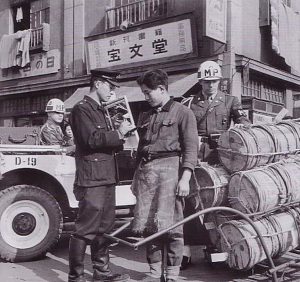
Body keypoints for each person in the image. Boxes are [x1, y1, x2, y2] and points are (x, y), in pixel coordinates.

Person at [181, 60, 251, 269]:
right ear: (200, 82)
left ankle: (215, 249)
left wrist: (228, 136)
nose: (210, 85)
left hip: (219, 159)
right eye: (206, 81)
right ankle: (186, 252)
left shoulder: (230, 101)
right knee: (190, 203)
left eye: (213, 81)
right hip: (195, 157)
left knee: (218, 203)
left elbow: (244, 125)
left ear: (220, 81)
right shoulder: (190, 103)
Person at [131, 69, 198, 282]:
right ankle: (153, 272)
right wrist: (136, 177)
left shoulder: (183, 112)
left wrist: (185, 177)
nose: (145, 97)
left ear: (161, 89)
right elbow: (141, 147)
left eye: (148, 92)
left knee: (173, 226)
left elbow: (191, 148)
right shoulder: (145, 114)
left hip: (171, 171)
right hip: (147, 173)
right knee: (150, 226)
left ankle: (172, 274)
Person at [68, 68, 134, 282]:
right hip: (92, 178)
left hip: (107, 176)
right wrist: (119, 133)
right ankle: (75, 277)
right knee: (85, 229)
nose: (113, 91)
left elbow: (105, 141)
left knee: (104, 227)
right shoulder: (81, 109)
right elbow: (91, 140)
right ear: (98, 84)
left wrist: (123, 135)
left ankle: (101, 272)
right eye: (110, 86)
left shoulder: (102, 110)